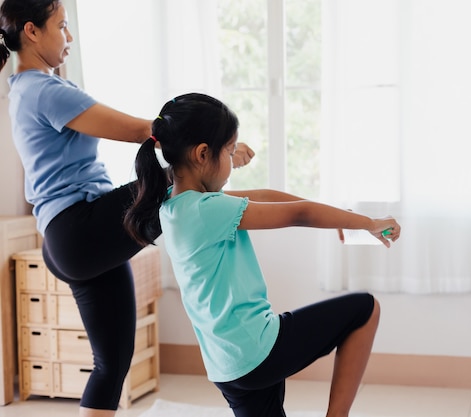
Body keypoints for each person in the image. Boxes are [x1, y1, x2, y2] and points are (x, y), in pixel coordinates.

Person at [0, 2, 255, 416]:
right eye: (62, 27)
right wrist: (220, 149)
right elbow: (145, 132)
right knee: (180, 183)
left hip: (75, 239)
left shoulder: (28, 89)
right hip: (79, 228)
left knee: (113, 364)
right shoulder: (43, 90)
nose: (69, 36)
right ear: (31, 31)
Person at [124, 92, 401, 417]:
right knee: (365, 309)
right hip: (257, 348)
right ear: (202, 154)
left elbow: (267, 196)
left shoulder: (175, 204)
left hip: (227, 365)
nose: (231, 160)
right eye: (229, 151)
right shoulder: (207, 209)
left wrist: (340, 215)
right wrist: (367, 223)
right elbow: (300, 214)